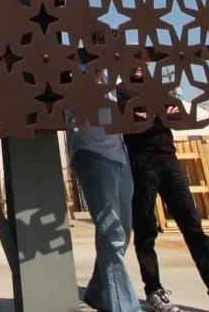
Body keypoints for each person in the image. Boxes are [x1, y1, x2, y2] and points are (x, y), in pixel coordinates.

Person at [118, 66, 209, 312]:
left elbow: (176, 116)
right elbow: (137, 121)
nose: (137, 65)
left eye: (142, 60)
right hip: (142, 164)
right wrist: (159, 113)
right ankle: (154, 291)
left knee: (194, 228)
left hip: (170, 162)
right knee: (146, 231)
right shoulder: (122, 92)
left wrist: (154, 113)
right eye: (132, 59)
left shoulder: (158, 89)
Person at [66, 96, 139, 312]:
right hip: (91, 149)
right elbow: (74, 107)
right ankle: (126, 307)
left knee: (123, 230)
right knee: (112, 233)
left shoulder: (114, 72)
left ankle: (98, 291)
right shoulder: (75, 68)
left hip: (119, 154)